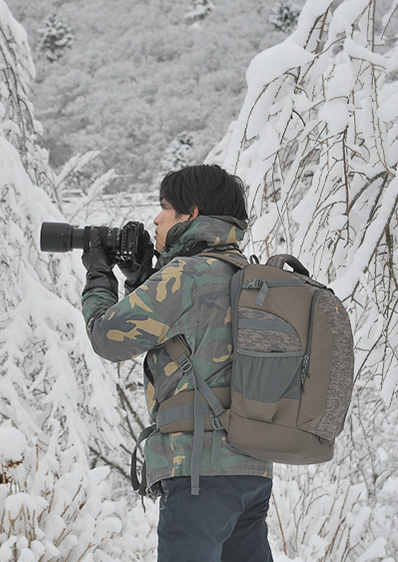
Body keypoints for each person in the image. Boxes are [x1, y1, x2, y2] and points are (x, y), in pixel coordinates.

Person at [79, 164, 273, 562]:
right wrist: (140, 278)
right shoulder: (249, 273)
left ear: (192, 214)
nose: (156, 218)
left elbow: (107, 336)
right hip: (252, 469)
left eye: (165, 207)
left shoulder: (186, 276)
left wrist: (99, 275)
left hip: (199, 473)